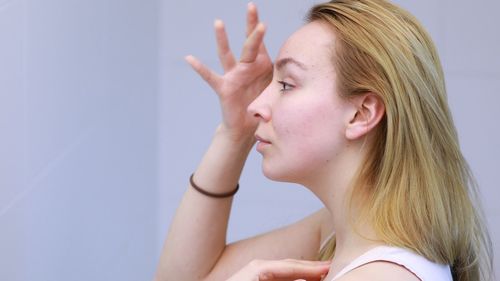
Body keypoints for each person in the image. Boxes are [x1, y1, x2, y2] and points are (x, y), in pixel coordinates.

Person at [155, 1, 493, 280]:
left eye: (287, 85)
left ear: (362, 114)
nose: (257, 105)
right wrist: (234, 134)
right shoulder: (341, 230)